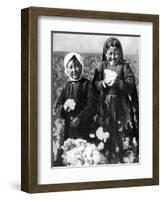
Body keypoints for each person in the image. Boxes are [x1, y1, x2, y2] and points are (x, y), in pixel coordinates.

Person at [92, 37, 139, 161]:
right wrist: (102, 83)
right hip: (105, 104)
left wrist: (119, 83)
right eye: (110, 53)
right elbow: (94, 84)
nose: (113, 56)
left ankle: (124, 154)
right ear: (105, 53)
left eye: (116, 53)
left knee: (121, 129)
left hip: (121, 105)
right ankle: (107, 153)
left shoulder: (124, 66)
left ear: (120, 53)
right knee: (106, 128)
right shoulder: (101, 66)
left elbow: (131, 85)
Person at [55, 52, 95, 141]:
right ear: (66, 70)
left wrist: (80, 118)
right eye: (71, 67)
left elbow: (92, 105)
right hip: (69, 130)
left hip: (85, 128)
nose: (74, 70)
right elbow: (57, 107)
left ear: (82, 66)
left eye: (77, 66)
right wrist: (64, 108)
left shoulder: (87, 85)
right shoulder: (66, 87)